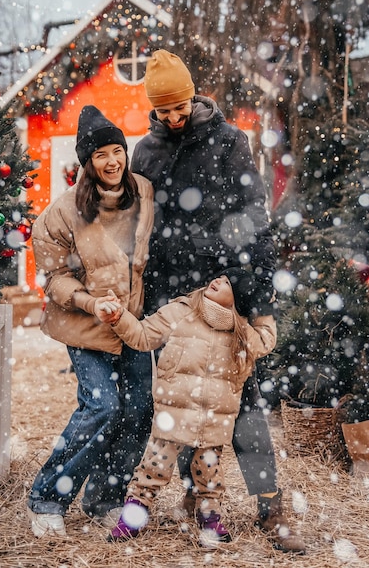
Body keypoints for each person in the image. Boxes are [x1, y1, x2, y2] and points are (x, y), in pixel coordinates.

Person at [129, 49, 305, 553]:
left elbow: (253, 217)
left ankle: (270, 505)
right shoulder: (146, 153)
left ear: (192, 96)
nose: (173, 117)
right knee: (184, 401)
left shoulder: (229, 143)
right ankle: (195, 499)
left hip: (223, 292)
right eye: (163, 110)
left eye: (179, 106)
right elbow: (145, 226)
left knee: (240, 401)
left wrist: (250, 292)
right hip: (173, 297)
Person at [26, 105, 154, 538]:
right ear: (87, 162)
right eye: (100, 154)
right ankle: (47, 497)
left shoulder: (147, 196)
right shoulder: (62, 213)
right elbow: (54, 277)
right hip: (86, 325)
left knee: (138, 411)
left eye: (117, 150)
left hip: (133, 326)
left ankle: (105, 497)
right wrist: (87, 301)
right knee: (103, 406)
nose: (112, 161)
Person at [94, 270, 277, 546]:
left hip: (214, 420)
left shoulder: (242, 334)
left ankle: (209, 517)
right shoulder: (183, 310)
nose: (217, 280)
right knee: (152, 469)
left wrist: (264, 307)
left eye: (227, 283)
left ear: (237, 300)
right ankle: (133, 516)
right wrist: (120, 318)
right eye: (219, 277)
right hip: (174, 414)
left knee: (210, 474)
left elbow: (266, 339)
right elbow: (143, 335)